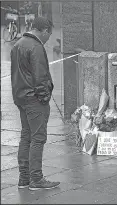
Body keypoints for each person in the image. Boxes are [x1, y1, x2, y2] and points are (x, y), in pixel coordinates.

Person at [10, 17, 60, 191]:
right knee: (38, 138)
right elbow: (40, 77)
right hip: (34, 99)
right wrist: (44, 97)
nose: (49, 38)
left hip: (21, 97)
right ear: (44, 30)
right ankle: (36, 179)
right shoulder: (36, 47)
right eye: (50, 34)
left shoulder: (18, 44)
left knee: (26, 136)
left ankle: (24, 178)